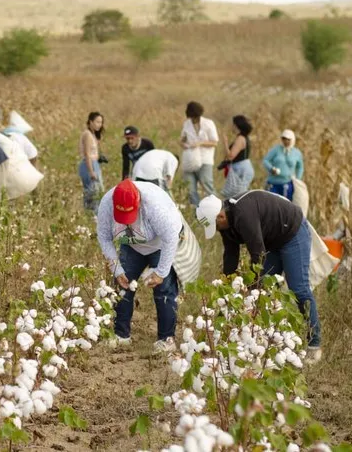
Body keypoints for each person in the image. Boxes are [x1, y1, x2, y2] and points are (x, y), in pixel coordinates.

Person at [196, 191, 322, 363]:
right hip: (271, 241)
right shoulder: (226, 224)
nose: (217, 230)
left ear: (221, 216)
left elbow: (258, 254)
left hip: (292, 233)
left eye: (215, 226)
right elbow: (231, 257)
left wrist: (251, 288)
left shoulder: (243, 215)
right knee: (265, 291)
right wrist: (226, 289)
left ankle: (314, 344)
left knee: (298, 288)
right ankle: (269, 341)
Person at [97, 179, 182, 354]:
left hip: (161, 245)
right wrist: (116, 269)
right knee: (122, 285)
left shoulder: (155, 206)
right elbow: (104, 237)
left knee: (164, 290)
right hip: (131, 245)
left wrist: (161, 272)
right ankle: (121, 335)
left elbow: (171, 238)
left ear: (138, 203)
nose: (127, 221)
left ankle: (166, 340)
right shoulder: (106, 204)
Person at [180, 101, 219, 206]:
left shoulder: (208, 123)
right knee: (190, 189)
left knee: (207, 185)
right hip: (190, 160)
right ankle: (196, 211)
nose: (193, 120)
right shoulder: (187, 124)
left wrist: (200, 143)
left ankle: (217, 208)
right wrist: (184, 144)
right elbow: (182, 139)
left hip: (205, 159)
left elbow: (214, 142)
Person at [219, 115, 254, 199]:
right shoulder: (244, 137)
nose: (232, 127)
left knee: (236, 196)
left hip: (240, 169)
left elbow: (230, 156)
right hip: (243, 167)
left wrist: (225, 143)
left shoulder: (240, 138)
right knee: (238, 194)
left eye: (233, 125)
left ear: (237, 126)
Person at [263, 129, 304, 200]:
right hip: (273, 183)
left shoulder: (296, 153)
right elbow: (266, 160)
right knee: (271, 202)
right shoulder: (276, 149)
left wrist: (298, 178)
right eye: (284, 139)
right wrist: (271, 169)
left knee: (285, 203)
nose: (286, 141)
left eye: (288, 139)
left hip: (287, 183)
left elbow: (300, 167)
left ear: (292, 140)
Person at [79, 112, 106, 211]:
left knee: (98, 191)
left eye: (101, 122)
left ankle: (95, 213)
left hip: (94, 163)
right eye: (97, 122)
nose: (99, 125)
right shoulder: (87, 134)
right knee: (93, 192)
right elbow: (87, 154)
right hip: (89, 164)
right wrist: (91, 171)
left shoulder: (93, 134)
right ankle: (92, 213)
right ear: (90, 122)